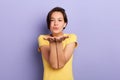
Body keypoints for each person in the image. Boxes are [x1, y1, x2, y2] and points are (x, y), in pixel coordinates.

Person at [38, 7, 78, 80]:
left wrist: (58, 43)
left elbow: (61, 64)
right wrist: (53, 43)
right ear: (49, 24)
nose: (56, 23)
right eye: (52, 20)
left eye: (59, 20)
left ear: (64, 24)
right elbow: (54, 65)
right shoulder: (42, 38)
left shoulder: (71, 37)